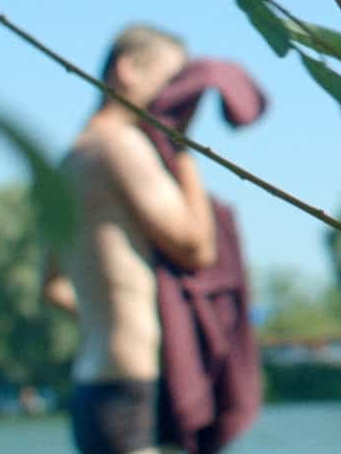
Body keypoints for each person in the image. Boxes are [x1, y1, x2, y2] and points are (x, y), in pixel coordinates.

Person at [44, 24, 217, 454]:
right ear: (127, 70)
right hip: (127, 387)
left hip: (92, 385)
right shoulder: (119, 145)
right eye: (171, 81)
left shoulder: (68, 162)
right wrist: (182, 148)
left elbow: (52, 286)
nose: (176, 98)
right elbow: (197, 248)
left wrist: (107, 315)